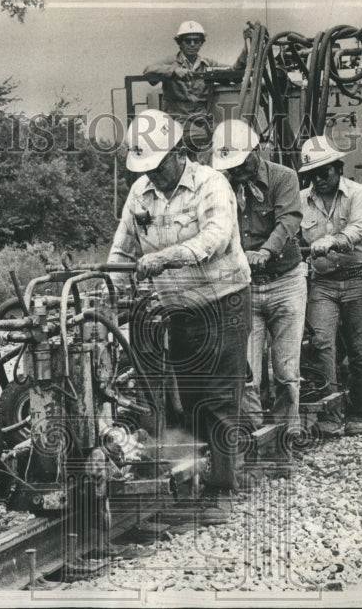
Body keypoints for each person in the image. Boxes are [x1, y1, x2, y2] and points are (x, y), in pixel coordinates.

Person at [108, 109, 252, 511]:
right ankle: (189, 480)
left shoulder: (211, 184)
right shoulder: (140, 193)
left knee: (219, 397)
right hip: (177, 308)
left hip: (224, 301)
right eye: (145, 169)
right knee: (186, 398)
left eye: (156, 166)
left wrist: (166, 258)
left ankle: (222, 490)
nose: (151, 175)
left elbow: (216, 239)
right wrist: (107, 300)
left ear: (176, 152)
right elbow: (122, 250)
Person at [211, 119, 305, 436]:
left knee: (286, 369)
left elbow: (289, 219)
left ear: (255, 152)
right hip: (244, 286)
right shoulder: (221, 187)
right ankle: (255, 435)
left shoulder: (284, 178)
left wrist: (265, 251)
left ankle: (286, 433)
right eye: (230, 167)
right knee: (246, 369)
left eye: (239, 164)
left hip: (285, 282)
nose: (235, 172)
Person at [297, 136, 362, 437]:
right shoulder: (301, 199)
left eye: (324, 173)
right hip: (324, 283)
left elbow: (358, 227)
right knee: (321, 345)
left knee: (359, 349)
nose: (319, 180)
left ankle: (358, 413)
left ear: (338, 168)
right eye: (312, 175)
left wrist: (334, 240)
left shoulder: (358, 194)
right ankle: (329, 412)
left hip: (359, 278)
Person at [143, 21, 249, 158]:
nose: (192, 44)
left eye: (197, 41)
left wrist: (246, 49)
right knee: (203, 147)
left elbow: (233, 73)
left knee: (229, 143)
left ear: (201, 43)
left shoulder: (208, 65)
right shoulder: (171, 62)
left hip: (202, 123)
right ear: (180, 43)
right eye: (188, 41)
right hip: (176, 123)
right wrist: (174, 71)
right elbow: (148, 71)